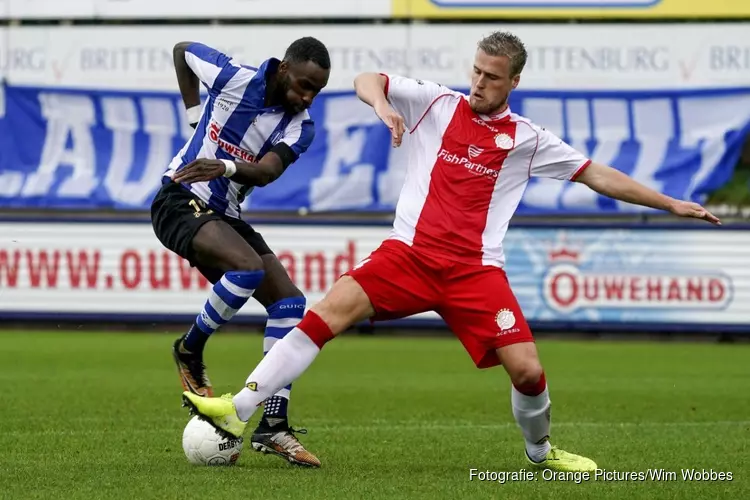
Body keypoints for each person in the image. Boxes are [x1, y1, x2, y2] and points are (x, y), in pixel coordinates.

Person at [179, 31, 721, 472]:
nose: (479, 83)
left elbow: (597, 174)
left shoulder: (528, 139)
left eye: (492, 77)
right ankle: (237, 409)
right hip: (407, 256)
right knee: (325, 313)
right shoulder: (437, 102)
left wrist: (670, 203)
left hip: (474, 272)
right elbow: (368, 79)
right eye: (477, 71)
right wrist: (385, 105)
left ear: (513, 81)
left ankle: (540, 453)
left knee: (529, 372)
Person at [150, 36, 331, 468]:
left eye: (316, 91)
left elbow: (267, 171)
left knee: (290, 303)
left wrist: (227, 166)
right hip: (179, 199)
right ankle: (190, 350)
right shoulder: (233, 77)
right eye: (304, 85)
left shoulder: (299, 125)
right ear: (284, 68)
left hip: (223, 213)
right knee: (247, 268)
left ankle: (273, 424)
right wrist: (195, 119)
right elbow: (182, 51)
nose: (307, 97)